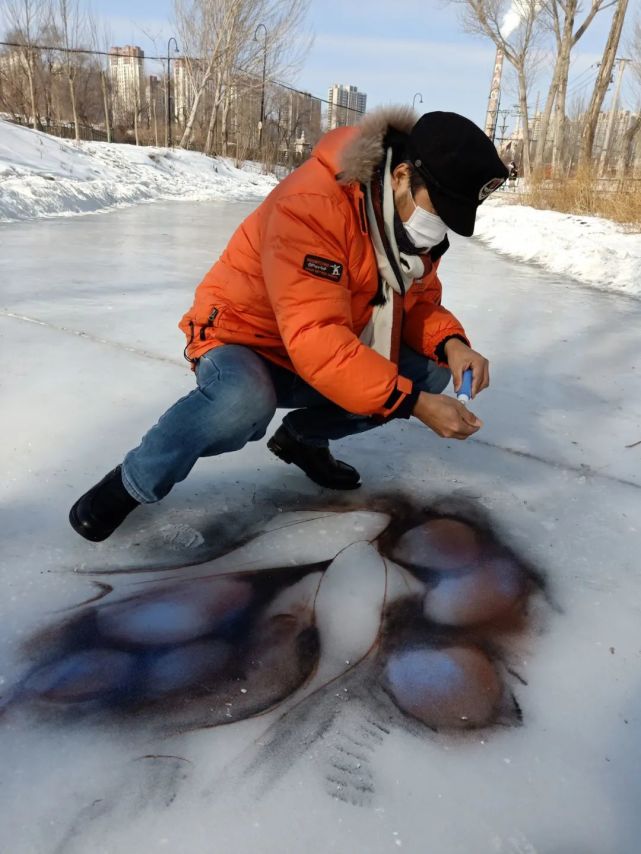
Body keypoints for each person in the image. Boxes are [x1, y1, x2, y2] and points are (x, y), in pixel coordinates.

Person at [69, 107, 508, 542]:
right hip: (244, 337)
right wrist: (412, 403)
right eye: (441, 206)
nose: (441, 225)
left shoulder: (406, 227)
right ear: (401, 176)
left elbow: (416, 305)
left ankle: (302, 438)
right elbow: (318, 339)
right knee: (244, 399)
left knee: (428, 370)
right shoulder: (314, 204)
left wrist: (451, 343)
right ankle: (132, 480)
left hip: (314, 347)